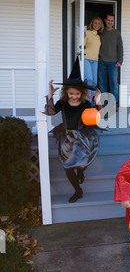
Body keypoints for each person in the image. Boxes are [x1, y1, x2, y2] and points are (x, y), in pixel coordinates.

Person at [45, 58, 102, 203]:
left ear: (81, 93)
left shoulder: (85, 103)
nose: (74, 96)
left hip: (82, 136)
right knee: (67, 165)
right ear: (66, 92)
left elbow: (97, 116)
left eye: (77, 94)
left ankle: (81, 172)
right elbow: (51, 112)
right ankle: (78, 190)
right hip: (66, 138)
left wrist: (98, 101)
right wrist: (50, 96)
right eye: (71, 94)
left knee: (82, 161)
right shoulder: (63, 103)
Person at [98, 14, 123, 108]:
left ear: (114, 22)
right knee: (102, 83)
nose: (110, 22)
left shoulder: (116, 33)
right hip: (102, 61)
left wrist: (120, 60)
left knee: (114, 84)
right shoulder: (100, 32)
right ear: (105, 20)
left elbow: (120, 47)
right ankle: (104, 104)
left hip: (113, 62)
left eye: (112, 21)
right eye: (108, 20)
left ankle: (114, 104)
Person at [84, 17, 104, 89]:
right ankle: (87, 99)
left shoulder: (98, 36)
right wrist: (83, 38)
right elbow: (80, 46)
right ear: (92, 23)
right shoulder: (87, 33)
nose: (97, 25)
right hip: (86, 59)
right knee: (89, 80)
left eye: (99, 23)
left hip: (95, 60)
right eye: (95, 23)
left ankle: (93, 99)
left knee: (95, 81)